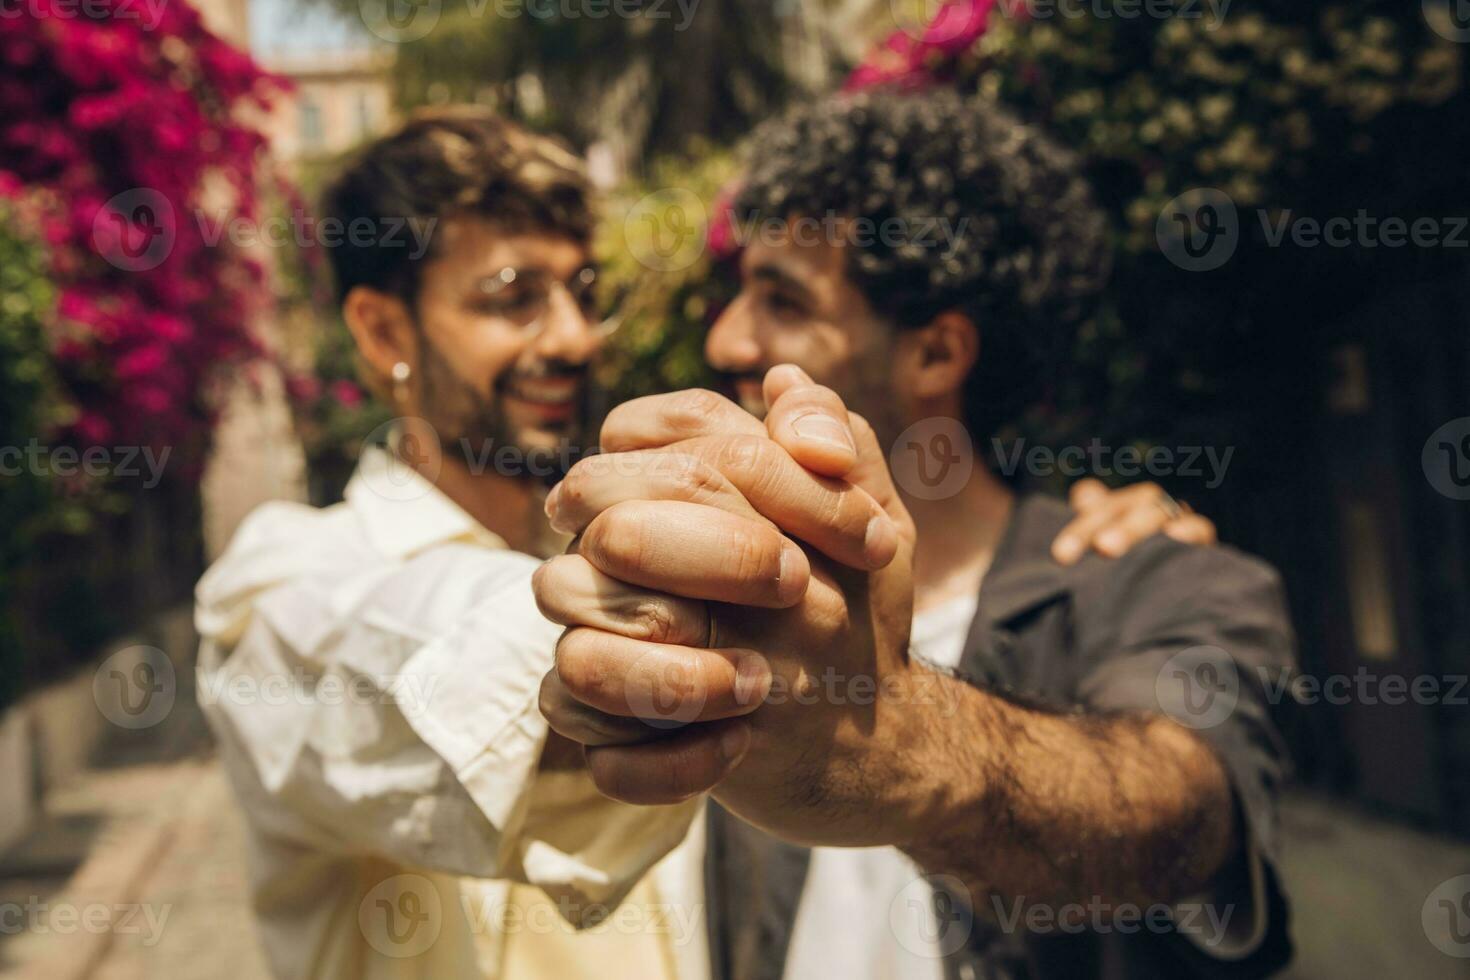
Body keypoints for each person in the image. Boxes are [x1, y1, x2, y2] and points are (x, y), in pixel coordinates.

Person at [193, 105, 1201, 980]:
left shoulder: (671, 536)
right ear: (380, 333)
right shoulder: (281, 579)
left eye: (583, 289)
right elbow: (413, 658)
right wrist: (698, 626)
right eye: (512, 297)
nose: (576, 336)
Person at [534, 90, 1297, 980]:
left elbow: (1185, 814)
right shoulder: (739, 601)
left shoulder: (1166, 580)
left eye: (781, 300)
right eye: (738, 291)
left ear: (936, 355)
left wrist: (902, 743)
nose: (727, 338)